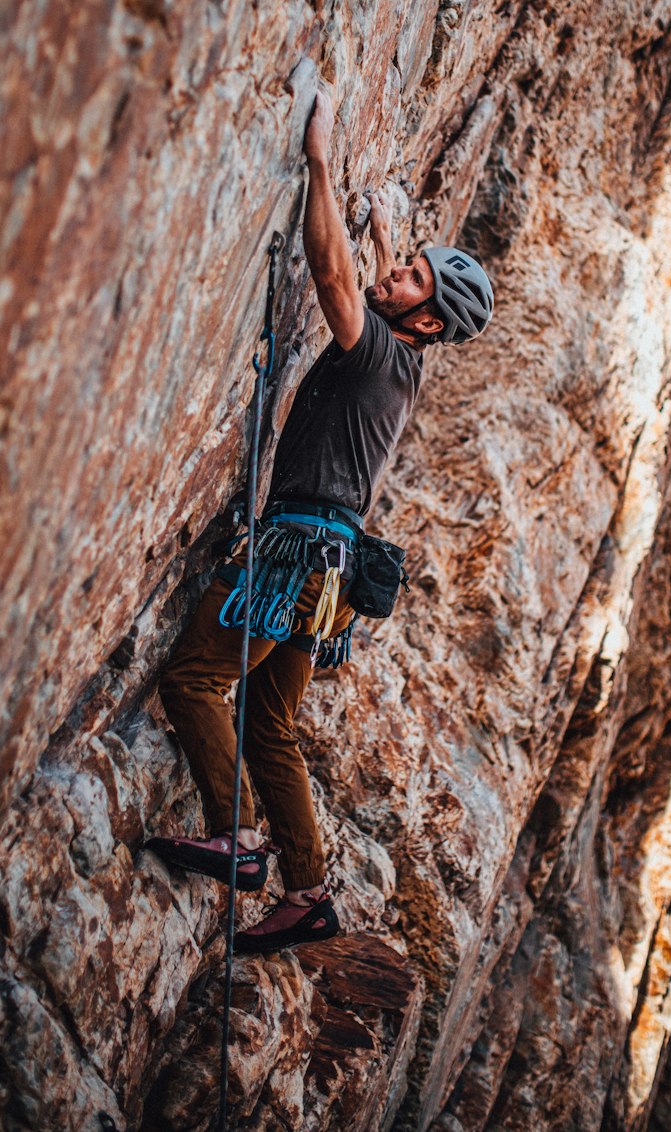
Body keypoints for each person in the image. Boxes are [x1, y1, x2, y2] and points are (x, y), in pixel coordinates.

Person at [151, 83, 494, 952]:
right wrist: (391, 231)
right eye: (407, 263)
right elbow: (379, 279)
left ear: (425, 320)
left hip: (293, 559)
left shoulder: (379, 351)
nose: (396, 274)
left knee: (193, 680)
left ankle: (235, 840)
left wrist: (321, 161)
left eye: (412, 277)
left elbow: (338, 279)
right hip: (330, 580)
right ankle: (309, 891)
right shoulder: (409, 362)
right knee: (270, 722)